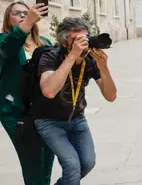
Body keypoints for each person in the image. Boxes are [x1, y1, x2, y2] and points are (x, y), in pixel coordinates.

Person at [31, 17, 117, 184]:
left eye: (85, 38)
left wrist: (103, 67)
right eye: (77, 40)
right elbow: (48, 91)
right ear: (65, 43)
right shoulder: (50, 57)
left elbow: (111, 96)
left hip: (77, 119)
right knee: (71, 165)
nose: (83, 44)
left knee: (88, 163)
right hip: (49, 121)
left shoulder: (90, 61)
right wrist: (72, 57)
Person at [0, 1, 55, 185]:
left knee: (47, 160)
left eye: (26, 12)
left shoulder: (45, 43)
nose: (23, 15)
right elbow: (8, 49)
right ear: (8, 18)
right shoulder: (4, 41)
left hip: (45, 113)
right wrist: (27, 23)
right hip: (16, 113)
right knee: (32, 163)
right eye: (17, 13)